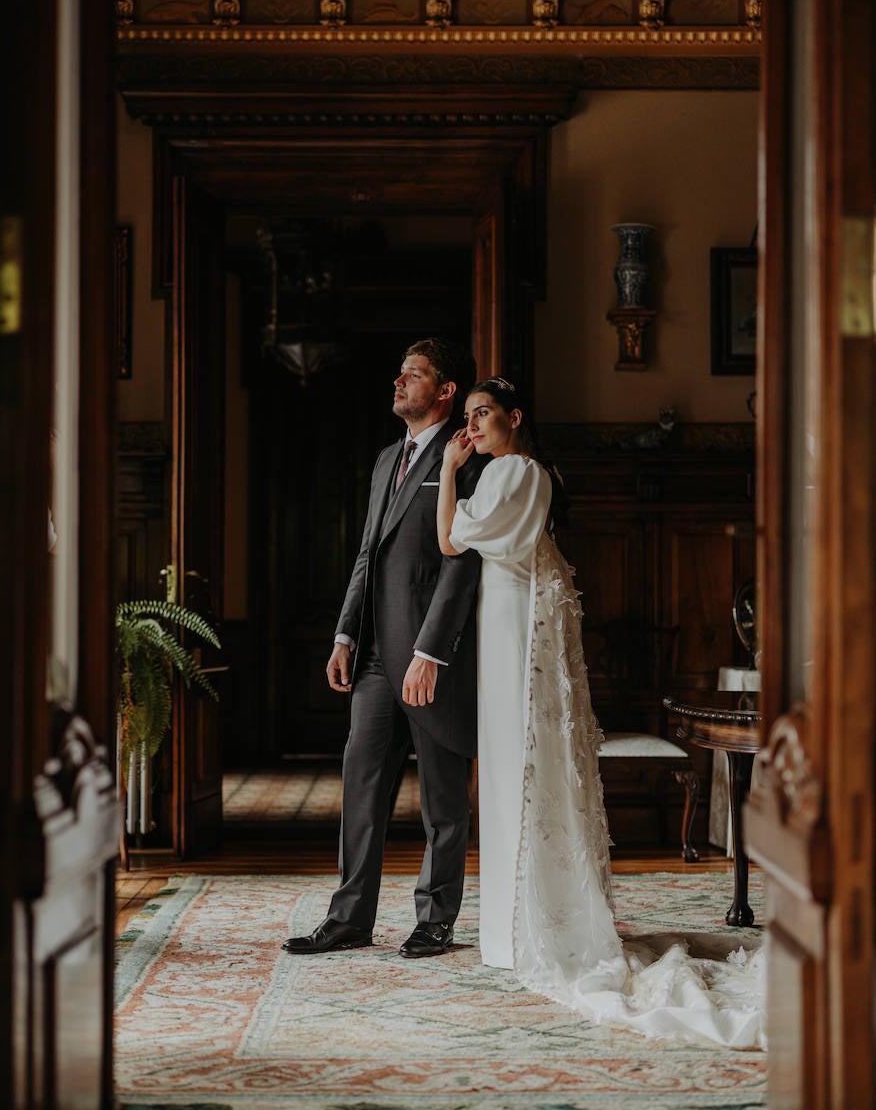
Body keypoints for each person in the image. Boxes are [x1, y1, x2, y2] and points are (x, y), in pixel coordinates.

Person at [436, 376, 765, 1049]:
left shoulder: (520, 472)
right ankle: (512, 926)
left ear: (515, 417)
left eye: (484, 414)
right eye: (466, 417)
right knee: (506, 762)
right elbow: (458, 540)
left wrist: (447, 470)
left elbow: (451, 538)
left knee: (528, 758)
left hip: (522, 618)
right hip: (504, 612)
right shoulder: (501, 474)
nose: (472, 427)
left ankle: (539, 923)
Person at [283, 339, 486, 959]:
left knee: (442, 799)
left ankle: (436, 919)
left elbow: (462, 564)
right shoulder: (383, 461)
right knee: (361, 784)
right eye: (400, 372)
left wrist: (432, 652)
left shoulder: (470, 459)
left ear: (445, 391)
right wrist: (345, 632)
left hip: (432, 658)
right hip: (374, 656)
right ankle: (349, 917)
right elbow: (368, 555)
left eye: (415, 374)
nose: (399, 381)